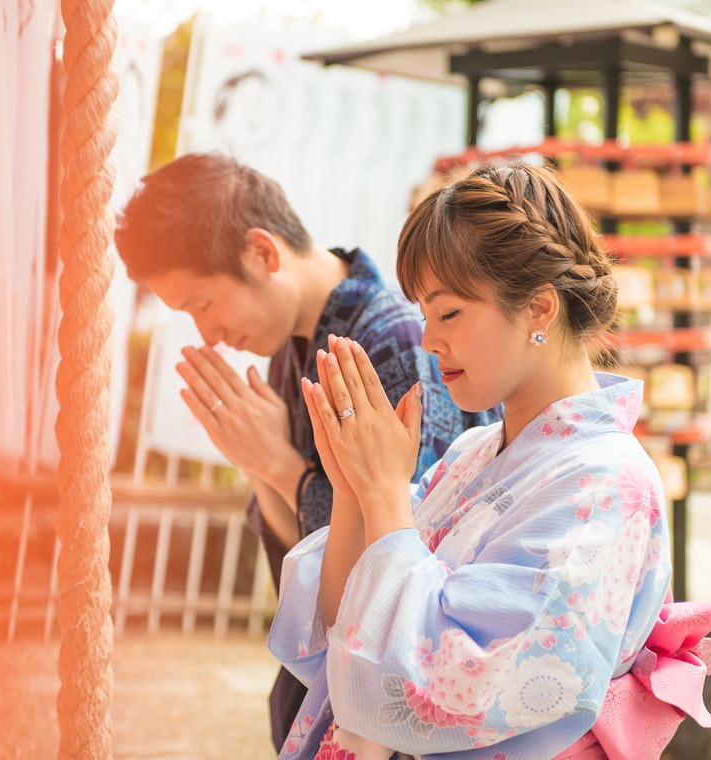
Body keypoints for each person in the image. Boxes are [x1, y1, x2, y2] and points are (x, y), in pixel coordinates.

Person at [269, 162, 711, 760]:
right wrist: (355, 493)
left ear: (539, 308)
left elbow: (454, 688)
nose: (429, 340)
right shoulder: (470, 454)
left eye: (449, 312)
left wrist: (385, 495)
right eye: (426, 315)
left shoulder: (610, 483)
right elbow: (349, 634)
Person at [114, 152, 499, 752]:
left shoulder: (393, 340)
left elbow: (405, 553)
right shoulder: (290, 346)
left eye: (202, 303)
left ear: (263, 253)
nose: (207, 335)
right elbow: (297, 544)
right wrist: (260, 461)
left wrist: (276, 465)